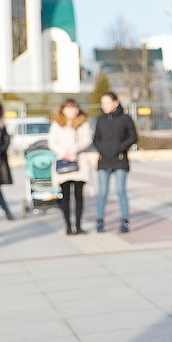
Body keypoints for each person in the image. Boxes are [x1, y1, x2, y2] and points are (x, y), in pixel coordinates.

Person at [93, 92, 137, 233]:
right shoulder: (100, 120)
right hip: (104, 160)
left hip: (120, 160)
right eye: (102, 103)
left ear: (115, 103)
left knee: (120, 191)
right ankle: (99, 220)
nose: (104, 106)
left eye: (106, 102)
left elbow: (133, 137)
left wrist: (120, 148)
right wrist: (103, 150)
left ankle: (124, 220)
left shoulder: (125, 118)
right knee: (102, 192)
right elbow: (96, 139)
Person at [49, 99, 93, 235]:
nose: (72, 111)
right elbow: (52, 142)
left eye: (74, 107)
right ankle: (68, 226)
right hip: (64, 163)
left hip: (79, 163)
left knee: (79, 195)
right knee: (66, 196)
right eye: (69, 108)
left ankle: (78, 226)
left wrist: (74, 150)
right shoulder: (57, 123)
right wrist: (64, 153)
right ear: (63, 109)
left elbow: (87, 140)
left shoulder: (83, 122)